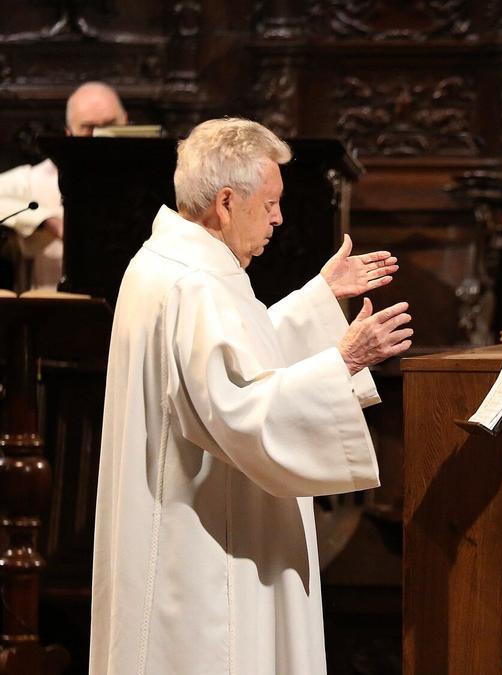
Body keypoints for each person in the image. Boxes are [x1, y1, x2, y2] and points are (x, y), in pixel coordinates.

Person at [90, 118, 412, 674]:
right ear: (225, 202)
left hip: (179, 525)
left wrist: (319, 296)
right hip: (203, 553)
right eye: (269, 204)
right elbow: (238, 409)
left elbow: (236, 357)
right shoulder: (196, 284)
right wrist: (345, 360)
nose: (278, 218)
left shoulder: (168, 263)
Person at [0, 81, 128, 290]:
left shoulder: (152, 176)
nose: (100, 137)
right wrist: (47, 220)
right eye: (88, 128)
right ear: (69, 133)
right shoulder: (37, 179)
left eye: (110, 125)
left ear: (126, 122)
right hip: (52, 310)